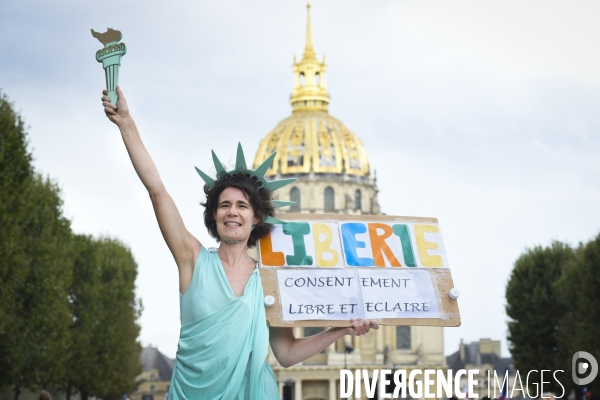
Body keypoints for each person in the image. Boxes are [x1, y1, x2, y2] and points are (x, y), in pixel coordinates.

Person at [101, 87, 379, 399]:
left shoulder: (271, 279)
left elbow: (285, 353)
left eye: (242, 205)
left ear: (257, 217)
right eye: (224, 205)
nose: (233, 211)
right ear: (214, 215)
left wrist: (341, 330)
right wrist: (126, 123)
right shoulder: (191, 260)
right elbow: (157, 190)